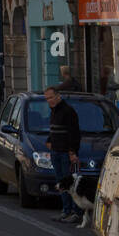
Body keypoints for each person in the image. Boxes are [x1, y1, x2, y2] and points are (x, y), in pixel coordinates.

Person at [43, 85, 81, 224]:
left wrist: (72, 152)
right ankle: (66, 210)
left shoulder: (68, 111)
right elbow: (54, 130)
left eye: (51, 97)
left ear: (58, 96)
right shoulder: (53, 111)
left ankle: (75, 212)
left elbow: (74, 134)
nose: (49, 101)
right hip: (56, 152)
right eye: (47, 99)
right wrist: (49, 140)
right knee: (61, 183)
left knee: (70, 183)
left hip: (65, 153)